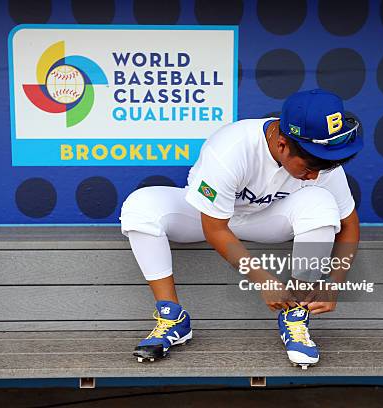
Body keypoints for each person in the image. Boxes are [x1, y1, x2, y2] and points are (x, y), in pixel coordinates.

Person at [119, 89, 363, 367]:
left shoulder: (321, 162)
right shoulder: (230, 147)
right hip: (207, 217)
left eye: (323, 166)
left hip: (267, 219)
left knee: (321, 202)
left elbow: (349, 223)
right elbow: (214, 227)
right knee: (140, 206)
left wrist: (334, 283)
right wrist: (261, 278)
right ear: (282, 145)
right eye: (310, 166)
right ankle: (172, 317)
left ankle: (295, 315)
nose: (316, 175)